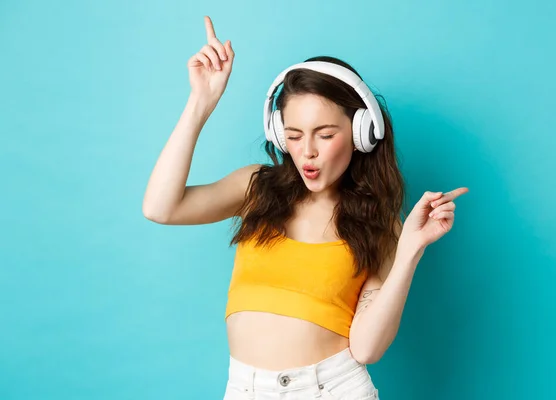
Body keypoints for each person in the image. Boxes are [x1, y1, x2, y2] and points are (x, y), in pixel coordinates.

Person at [142, 15, 469, 400]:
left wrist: (410, 250)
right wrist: (200, 103)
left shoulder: (379, 225)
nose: (307, 152)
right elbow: (160, 208)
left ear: (362, 133)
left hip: (332, 389)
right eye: (294, 135)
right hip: (244, 389)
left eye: (326, 134)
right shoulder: (256, 187)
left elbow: (367, 348)